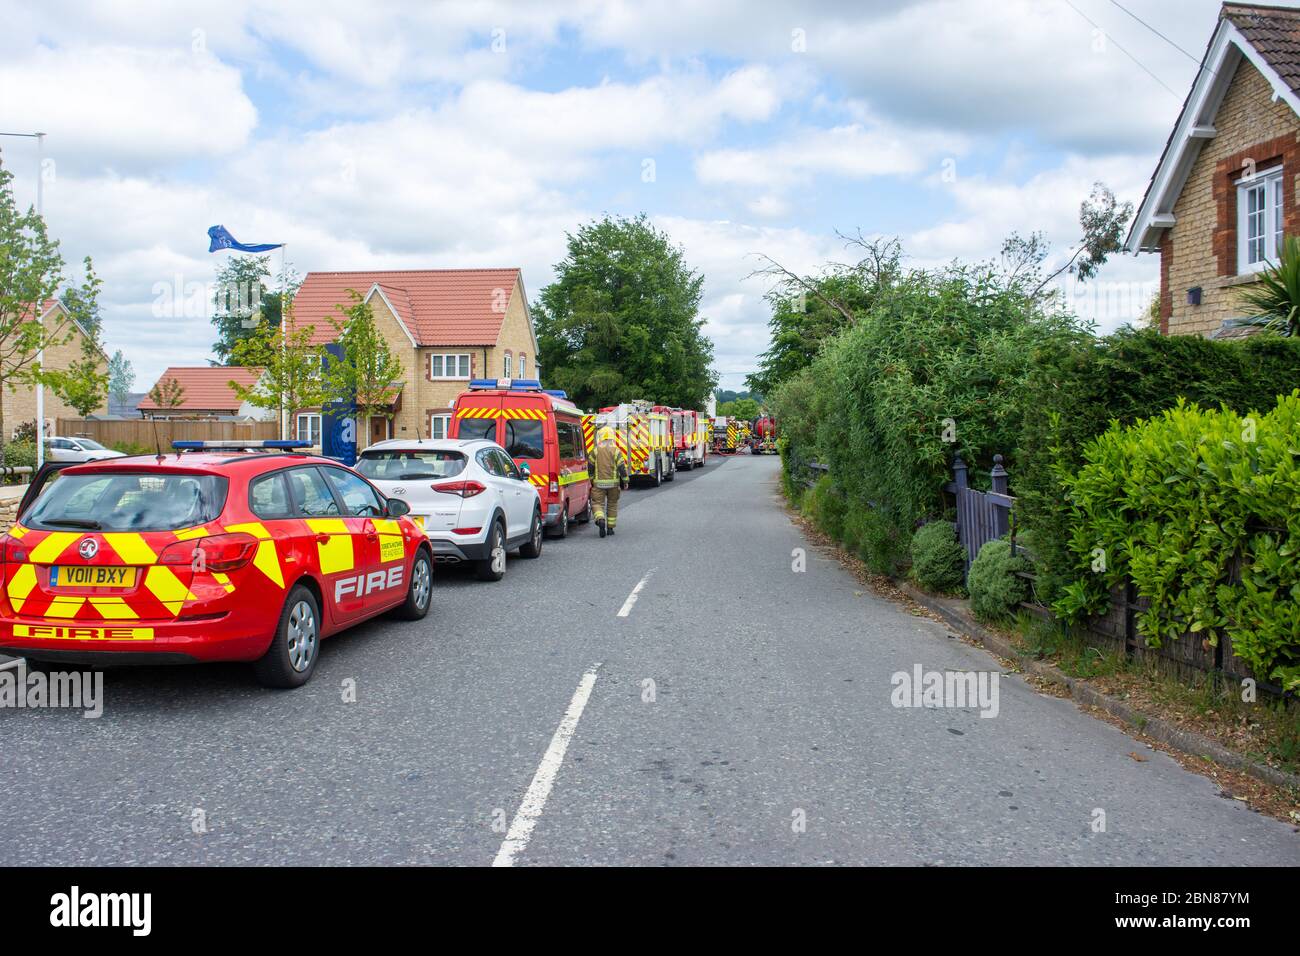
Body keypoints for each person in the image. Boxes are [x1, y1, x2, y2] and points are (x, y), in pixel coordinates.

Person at [589, 426, 629, 538]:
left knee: (597, 503)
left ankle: (600, 519)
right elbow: (622, 467)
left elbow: (590, 466)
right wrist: (625, 480)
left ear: (600, 437)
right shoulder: (616, 451)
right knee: (612, 504)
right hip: (614, 485)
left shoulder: (595, 451)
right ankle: (610, 529)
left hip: (598, 484)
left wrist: (591, 479)